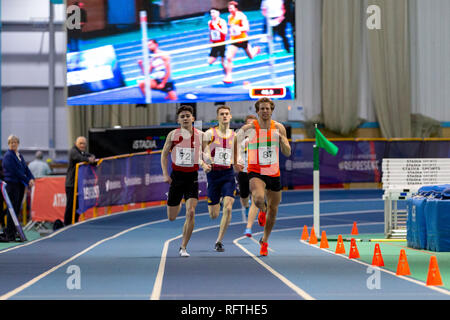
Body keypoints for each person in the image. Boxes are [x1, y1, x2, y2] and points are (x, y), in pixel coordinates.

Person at [235, 98, 291, 256]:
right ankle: (262, 209)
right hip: (256, 170)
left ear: (272, 110)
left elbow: (287, 152)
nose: (265, 111)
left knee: (274, 211)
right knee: (258, 198)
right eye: (262, 109)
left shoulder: (279, 128)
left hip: (273, 172)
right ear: (257, 111)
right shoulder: (250, 127)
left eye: (267, 108)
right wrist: (235, 161)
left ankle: (264, 240)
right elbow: (235, 141)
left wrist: (282, 141)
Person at [161, 105, 205, 257]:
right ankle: (178, 201)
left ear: (193, 118)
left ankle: (183, 247)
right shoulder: (173, 135)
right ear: (178, 120)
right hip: (176, 178)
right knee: (171, 217)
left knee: (191, 212)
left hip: (192, 178)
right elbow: (164, 155)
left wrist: (208, 162)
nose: (185, 118)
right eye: (183, 116)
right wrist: (166, 174)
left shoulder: (200, 135)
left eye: (188, 116)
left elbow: (205, 154)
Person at [202, 105, 236, 252]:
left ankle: (219, 241)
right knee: (213, 215)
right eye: (221, 114)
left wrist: (238, 161)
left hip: (228, 174)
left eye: (226, 114)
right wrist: (204, 163)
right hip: (213, 175)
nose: (224, 116)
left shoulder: (235, 135)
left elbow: (237, 154)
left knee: (228, 208)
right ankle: (219, 200)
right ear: (217, 117)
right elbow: (201, 152)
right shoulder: (209, 133)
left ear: (230, 116)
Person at [0, 135, 35, 242]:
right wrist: (27, 180)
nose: (13, 144)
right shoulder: (8, 156)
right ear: (8, 144)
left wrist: (31, 178)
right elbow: (16, 172)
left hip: (19, 185)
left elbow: (25, 168)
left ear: (18, 143)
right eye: (11, 142)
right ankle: (9, 234)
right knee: (12, 210)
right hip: (12, 185)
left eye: (15, 142)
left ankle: (13, 232)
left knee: (16, 210)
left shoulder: (19, 155)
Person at [223, 1, 260, 84]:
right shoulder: (229, 17)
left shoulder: (241, 16)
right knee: (229, 57)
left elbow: (247, 28)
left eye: (231, 8)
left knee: (251, 56)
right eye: (229, 8)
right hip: (234, 40)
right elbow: (231, 27)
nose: (230, 9)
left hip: (243, 39)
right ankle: (228, 76)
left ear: (236, 8)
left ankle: (256, 49)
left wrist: (238, 29)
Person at [236, 114, 259, 237]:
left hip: (256, 172)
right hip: (243, 172)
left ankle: (249, 226)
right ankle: (246, 207)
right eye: (248, 124)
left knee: (257, 197)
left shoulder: (261, 138)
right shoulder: (240, 140)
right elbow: (236, 154)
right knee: (244, 197)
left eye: (253, 124)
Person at [64, 136, 96, 226]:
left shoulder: (82, 152)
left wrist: (92, 157)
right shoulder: (73, 151)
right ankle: (66, 225)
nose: (82, 145)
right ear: (76, 144)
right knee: (70, 205)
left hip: (79, 184)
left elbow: (89, 155)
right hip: (71, 184)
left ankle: (74, 223)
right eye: (80, 143)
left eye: (84, 143)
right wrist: (89, 159)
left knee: (77, 206)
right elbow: (81, 158)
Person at [207, 8, 228, 73]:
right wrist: (210, 41)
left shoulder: (222, 22)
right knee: (209, 61)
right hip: (214, 44)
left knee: (223, 63)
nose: (212, 14)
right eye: (211, 13)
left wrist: (218, 28)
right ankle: (216, 54)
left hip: (222, 43)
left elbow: (225, 32)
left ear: (218, 13)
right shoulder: (210, 22)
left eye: (214, 12)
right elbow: (211, 32)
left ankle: (227, 76)